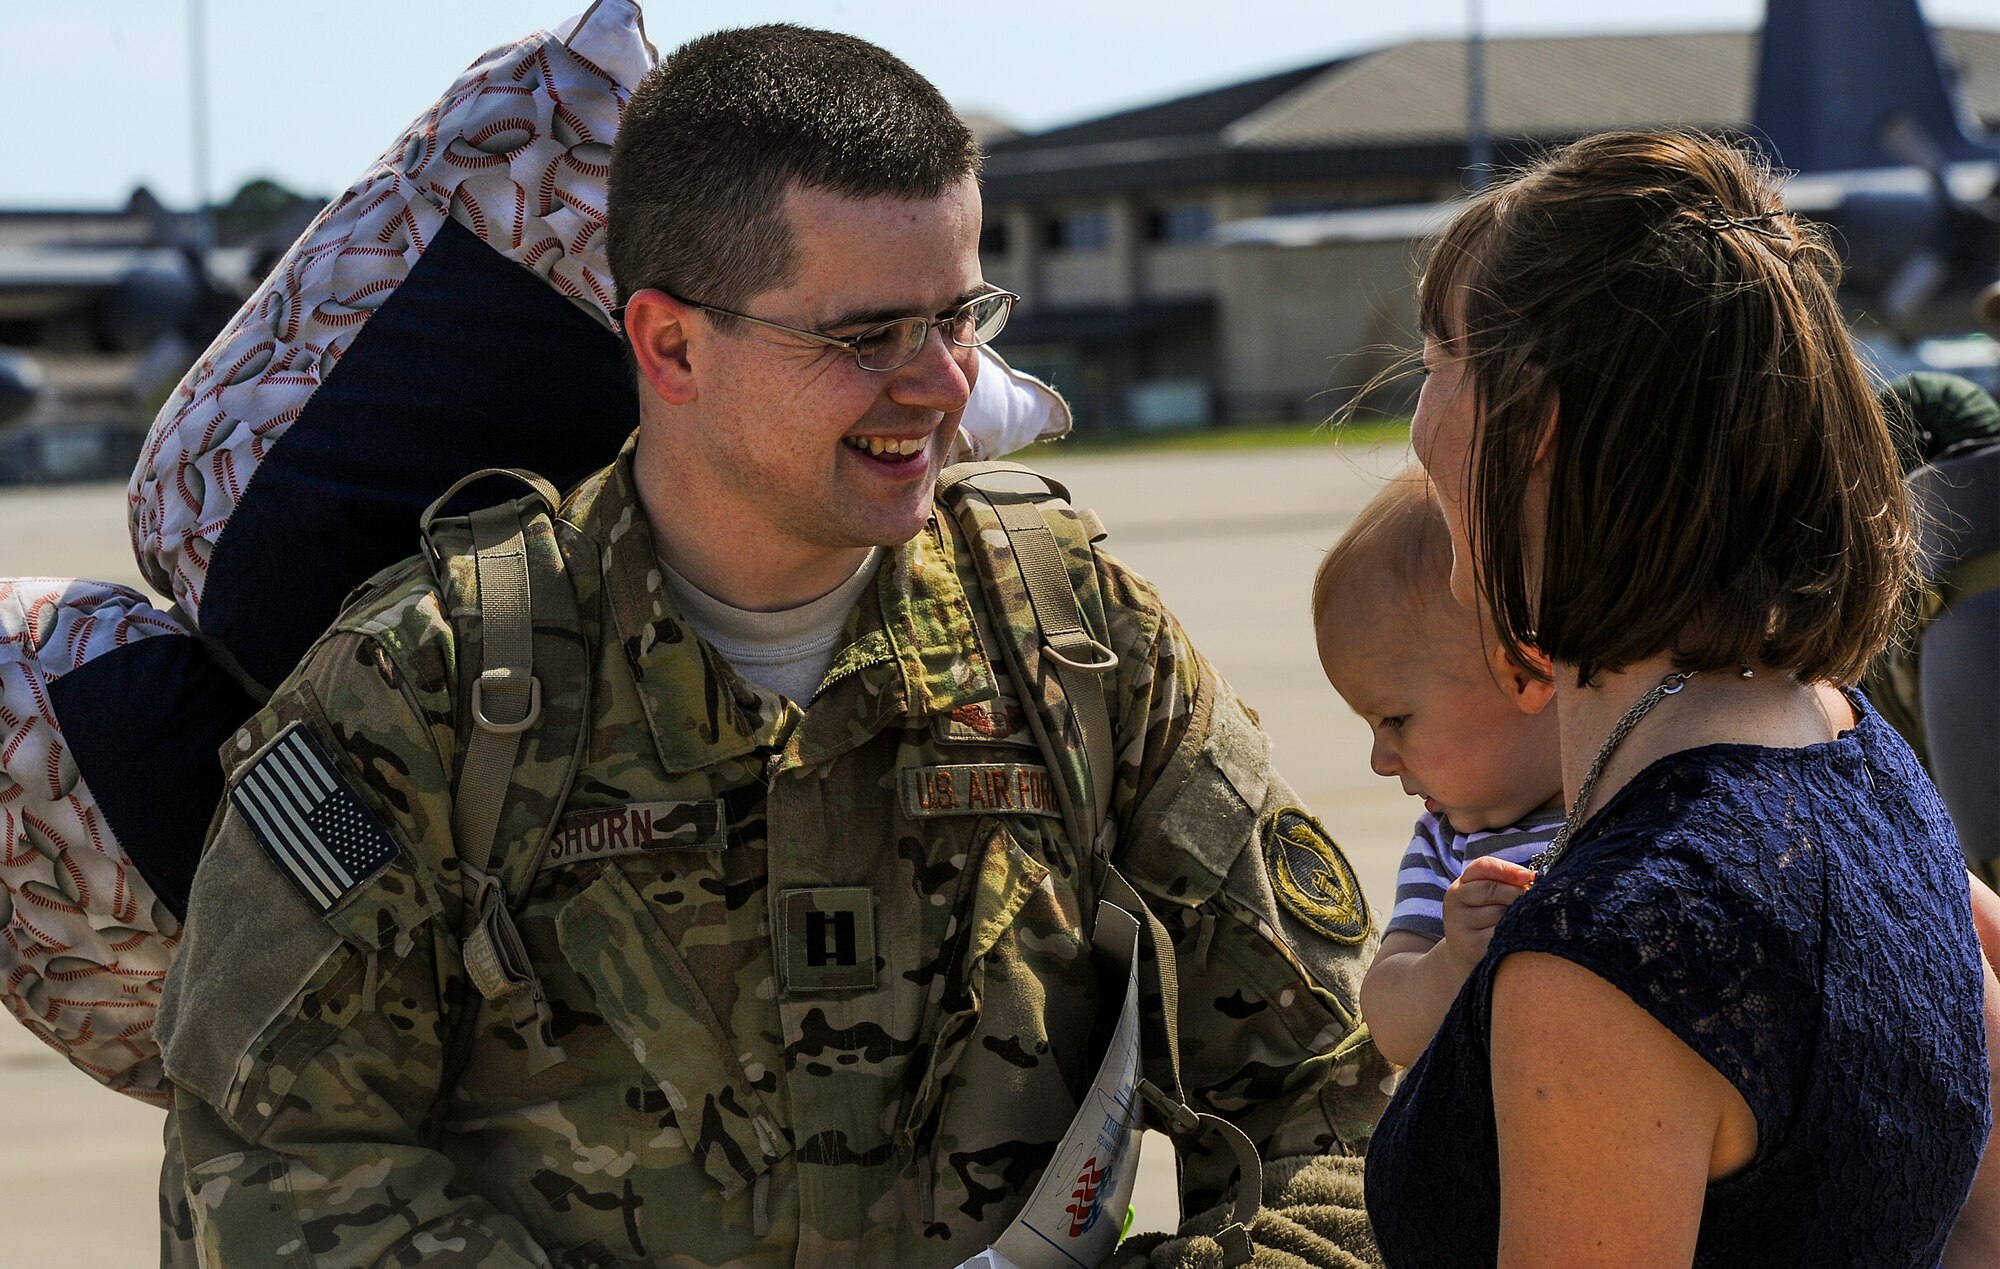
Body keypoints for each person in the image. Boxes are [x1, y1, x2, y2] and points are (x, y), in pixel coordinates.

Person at [153, 26, 1391, 1269]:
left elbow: (1343, 1093)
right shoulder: (428, 697)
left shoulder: (1078, 646)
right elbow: (270, 1174)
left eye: (958, 316)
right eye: (865, 339)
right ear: (671, 346)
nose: (944, 385)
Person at [1361, 130, 1994, 1266]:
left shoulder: (1611, 954)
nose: (1414, 429)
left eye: (1432, 363)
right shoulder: (1867, 762)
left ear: (1530, 425)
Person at [1310, 467, 1554, 1068]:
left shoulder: (1646, 790)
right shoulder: (1451, 847)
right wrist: (1452, 964)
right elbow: (1389, 1021)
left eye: (1393, 720)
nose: (1379, 760)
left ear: (1523, 672)